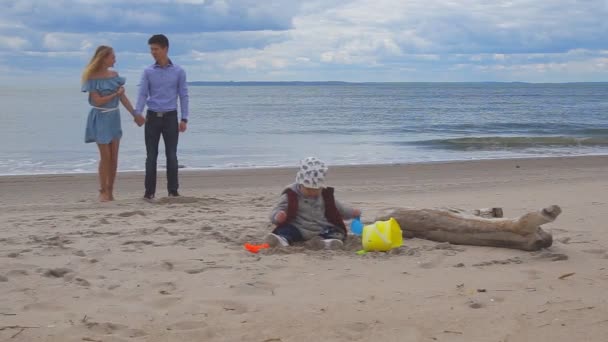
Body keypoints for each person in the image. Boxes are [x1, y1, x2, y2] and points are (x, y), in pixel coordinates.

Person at [82, 45, 144, 202]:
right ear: (104, 58)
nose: (115, 59)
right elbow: (97, 101)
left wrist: (135, 114)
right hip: (100, 117)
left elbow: (123, 99)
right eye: (112, 56)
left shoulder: (114, 75)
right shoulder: (92, 77)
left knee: (114, 158)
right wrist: (115, 93)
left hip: (114, 117)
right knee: (105, 157)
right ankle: (102, 190)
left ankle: (110, 191)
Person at [134, 34, 189, 201]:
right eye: (151, 49)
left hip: (170, 117)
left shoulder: (179, 71)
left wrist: (184, 118)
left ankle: (173, 191)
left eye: (156, 49)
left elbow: (183, 95)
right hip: (152, 117)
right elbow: (142, 94)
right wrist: (138, 113)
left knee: (171, 155)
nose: (153, 52)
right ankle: (149, 192)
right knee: (151, 156)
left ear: (165, 49)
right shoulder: (148, 71)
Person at [266, 157, 362, 249]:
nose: (312, 192)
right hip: (298, 228)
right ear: (300, 183)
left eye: (316, 189)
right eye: (308, 189)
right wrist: (278, 216)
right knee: (286, 231)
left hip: (321, 228)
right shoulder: (291, 195)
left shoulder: (325, 196)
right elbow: (277, 209)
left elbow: (339, 209)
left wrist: (352, 212)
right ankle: (281, 240)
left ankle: (325, 243)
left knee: (337, 232)